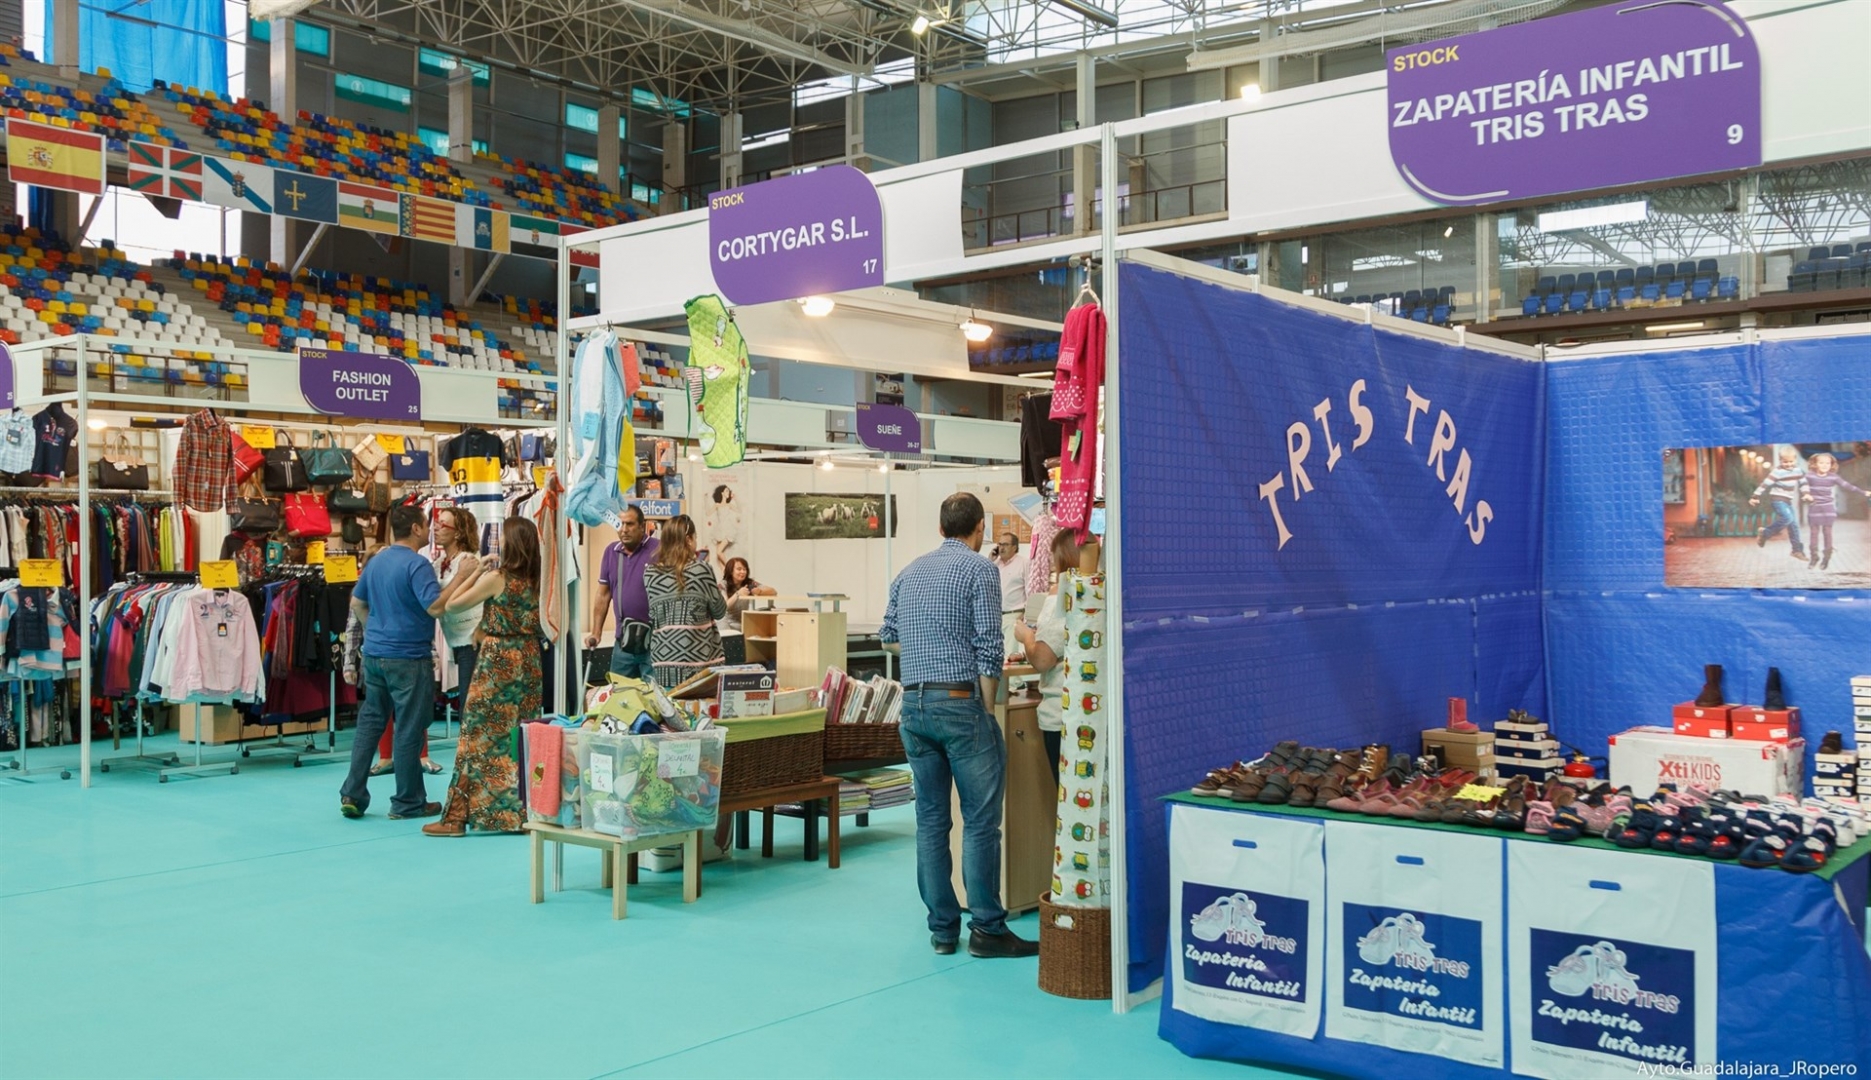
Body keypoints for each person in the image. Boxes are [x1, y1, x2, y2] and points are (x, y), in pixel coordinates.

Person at [880, 492, 1036, 959]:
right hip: (959, 702)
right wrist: (986, 709)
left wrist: (926, 651)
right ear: (980, 528)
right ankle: (987, 928)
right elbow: (989, 645)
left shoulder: (909, 572)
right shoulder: (980, 570)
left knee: (931, 821)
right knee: (980, 822)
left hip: (913, 706)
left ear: (940, 527)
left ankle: (943, 930)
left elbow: (888, 638)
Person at [421, 517, 543, 837]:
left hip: (498, 661)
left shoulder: (497, 578)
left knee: (475, 736)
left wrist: (474, 573)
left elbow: (453, 605)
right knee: (520, 737)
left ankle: (456, 817)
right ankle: (521, 812)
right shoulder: (539, 580)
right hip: (529, 661)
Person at [340, 504, 442, 821]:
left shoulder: (376, 562)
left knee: (370, 724)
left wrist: (375, 630)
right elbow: (436, 607)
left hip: (375, 655)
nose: (429, 530)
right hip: (408, 657)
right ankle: (408, 802)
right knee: (409, 728)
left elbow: (357, 602)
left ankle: (352, 793)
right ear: (415, 528)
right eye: (426, 524)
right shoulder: (418, 565)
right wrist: (463, 579)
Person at [368, 507, 478, 778]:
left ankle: (471, 768)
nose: (436, 528)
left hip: (471, 642)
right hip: (454, 642)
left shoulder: (468, 562)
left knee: (470, 708)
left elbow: (452, 603)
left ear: (459, 532)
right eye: (436, 523)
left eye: (444, 525)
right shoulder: (439, 562)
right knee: (464, 706)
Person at [1013, 529, 1082, 786]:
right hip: (1093, 711)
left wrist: (1027, 638)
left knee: (1067, 792)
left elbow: (1043, 659)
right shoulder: (1101, 591)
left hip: (1061, 714)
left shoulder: (1060, 595)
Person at [643, 514, 727, 689]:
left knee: (668, 706)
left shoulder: (650, 573)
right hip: (699, 666)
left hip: (663, 665)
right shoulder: (701, 569)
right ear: (688, 540)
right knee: (700, 707)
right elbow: (719, 611)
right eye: (695, 538)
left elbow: (653, 615)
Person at [584, 505, 659, 679]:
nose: (624, 529)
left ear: (642, 526)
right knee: (620, 692)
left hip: (654, 643)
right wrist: (596, 632)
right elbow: (603, 595)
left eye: (630, 524)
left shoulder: (659, 550)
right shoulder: (611, 552)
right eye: (620, 524)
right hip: (624, 643)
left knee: (655, 693)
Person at [1803, 452, 1866, 571]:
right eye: (1821, 463)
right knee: (1814, 534)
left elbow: (1847, 486)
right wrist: (1806, 494)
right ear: (1815, 464)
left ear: (1831, 465)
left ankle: (1827, 557)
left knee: (1827, 533)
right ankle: (1814, 557)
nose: (1825, 465)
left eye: (1828, 463)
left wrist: (1863, 492)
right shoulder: (1809, 476)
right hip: (1814, 508)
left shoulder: (1833, 477)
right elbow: (1802, 485)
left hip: (1828, 509)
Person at [1749, 447, 1809, 561]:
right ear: (1780, 460)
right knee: (1788, 518)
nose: (1788, 464)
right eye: (1785, 462)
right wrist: (1755, 496)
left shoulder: (1798, 470)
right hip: (1778, 499)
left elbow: (1803, 483)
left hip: (1788, 501)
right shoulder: (1777, 472)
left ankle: (1796, 550)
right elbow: (1765, 484)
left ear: (1795, 460)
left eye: (1791, 461)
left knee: (1794, 525)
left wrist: (1806, 494)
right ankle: (1765, 533)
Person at [718, 557, 775, 665]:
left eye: (745, 569)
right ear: (731, 571)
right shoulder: (723, 585)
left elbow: (773, 591)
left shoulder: (749, 583)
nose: (742, 572)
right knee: (722, 622)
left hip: (743, 622)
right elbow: (724, 607)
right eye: (739, 569)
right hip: (727, 622)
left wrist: (759, 591)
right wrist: (738, 594)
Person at [993, 532, 1028, 657]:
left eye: (1005, 544)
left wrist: (1025, 615)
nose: (1001, 548)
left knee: (1010, 656)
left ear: (1014, 547)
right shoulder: (994, 564)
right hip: (995, 617)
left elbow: (1030, 591)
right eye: (1000, 544)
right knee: (996, 655)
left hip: (1014, 615)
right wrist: (990, 560)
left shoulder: (1024, 563)